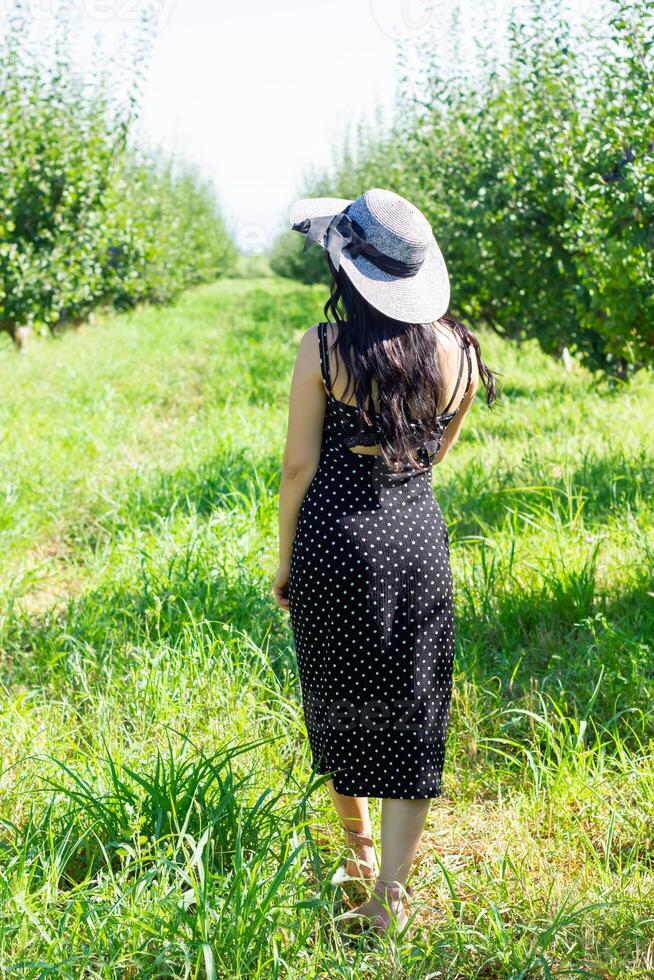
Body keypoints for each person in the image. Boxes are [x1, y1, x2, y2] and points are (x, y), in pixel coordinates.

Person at [272, 188, 496, 935]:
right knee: (413, 709)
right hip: (417, 541)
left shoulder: (325, 348)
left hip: (335, 541)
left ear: (349, 272)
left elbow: (297, 469)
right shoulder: (460, 353)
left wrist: (286, 562)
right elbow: (431, 459)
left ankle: (358, 856)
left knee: (339, 695)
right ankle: (391, 896)